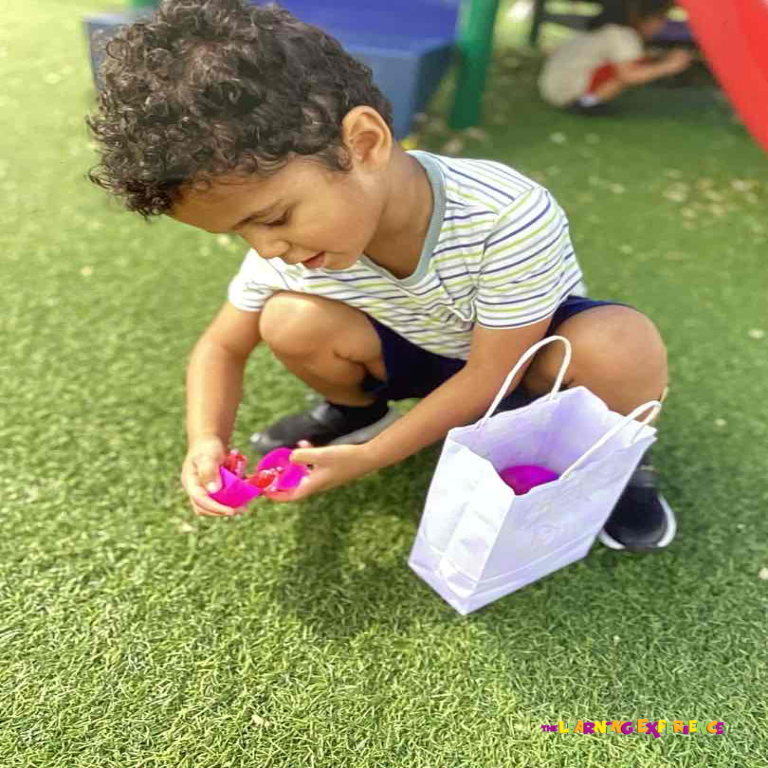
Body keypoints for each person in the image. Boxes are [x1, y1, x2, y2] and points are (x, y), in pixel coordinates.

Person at [86, 0, 674, 552]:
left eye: (273, 218)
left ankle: (613, 460)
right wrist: (206, 439)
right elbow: (221, 347)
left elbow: (494, 371)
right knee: (288, 318)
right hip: (422, 354)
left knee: (618, 344)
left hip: (523, 364)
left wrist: (374, 457)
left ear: (364, 143)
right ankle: (357, 411)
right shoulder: (286, 249)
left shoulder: (504, 213)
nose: (268, 248)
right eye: (242, 232)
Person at [538, 0, 694, 115]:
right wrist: (669, 66)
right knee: (629, 70)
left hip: (552, 91)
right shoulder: (624, 35)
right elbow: (629, 75)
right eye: (661, 19)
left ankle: (587, 101)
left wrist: (660, 57)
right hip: (568, 94)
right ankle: (588, 103)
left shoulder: (603, 31)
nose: (662, 26)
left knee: (632, 63)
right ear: (645, 18)